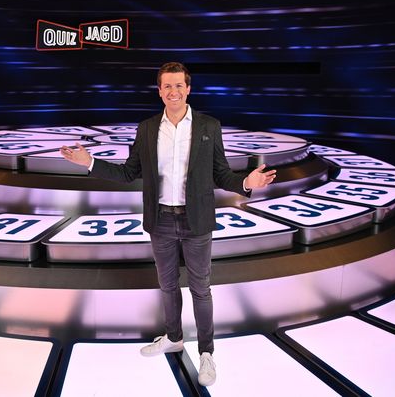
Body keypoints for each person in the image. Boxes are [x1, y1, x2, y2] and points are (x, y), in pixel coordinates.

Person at [60, 62, 275, 387]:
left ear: (188, 89)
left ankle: (206, 353)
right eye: (167, 86)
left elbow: (221, 174)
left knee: (200, 288)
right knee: (168, 285)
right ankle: (174, 338)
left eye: (179, 86)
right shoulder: (147, 128)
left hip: (197, 220)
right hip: (160, 219)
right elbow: (128, 172)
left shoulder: (209, 125)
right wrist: (89, 162)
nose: (174, 92)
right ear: (159, 91)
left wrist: (246, 182)